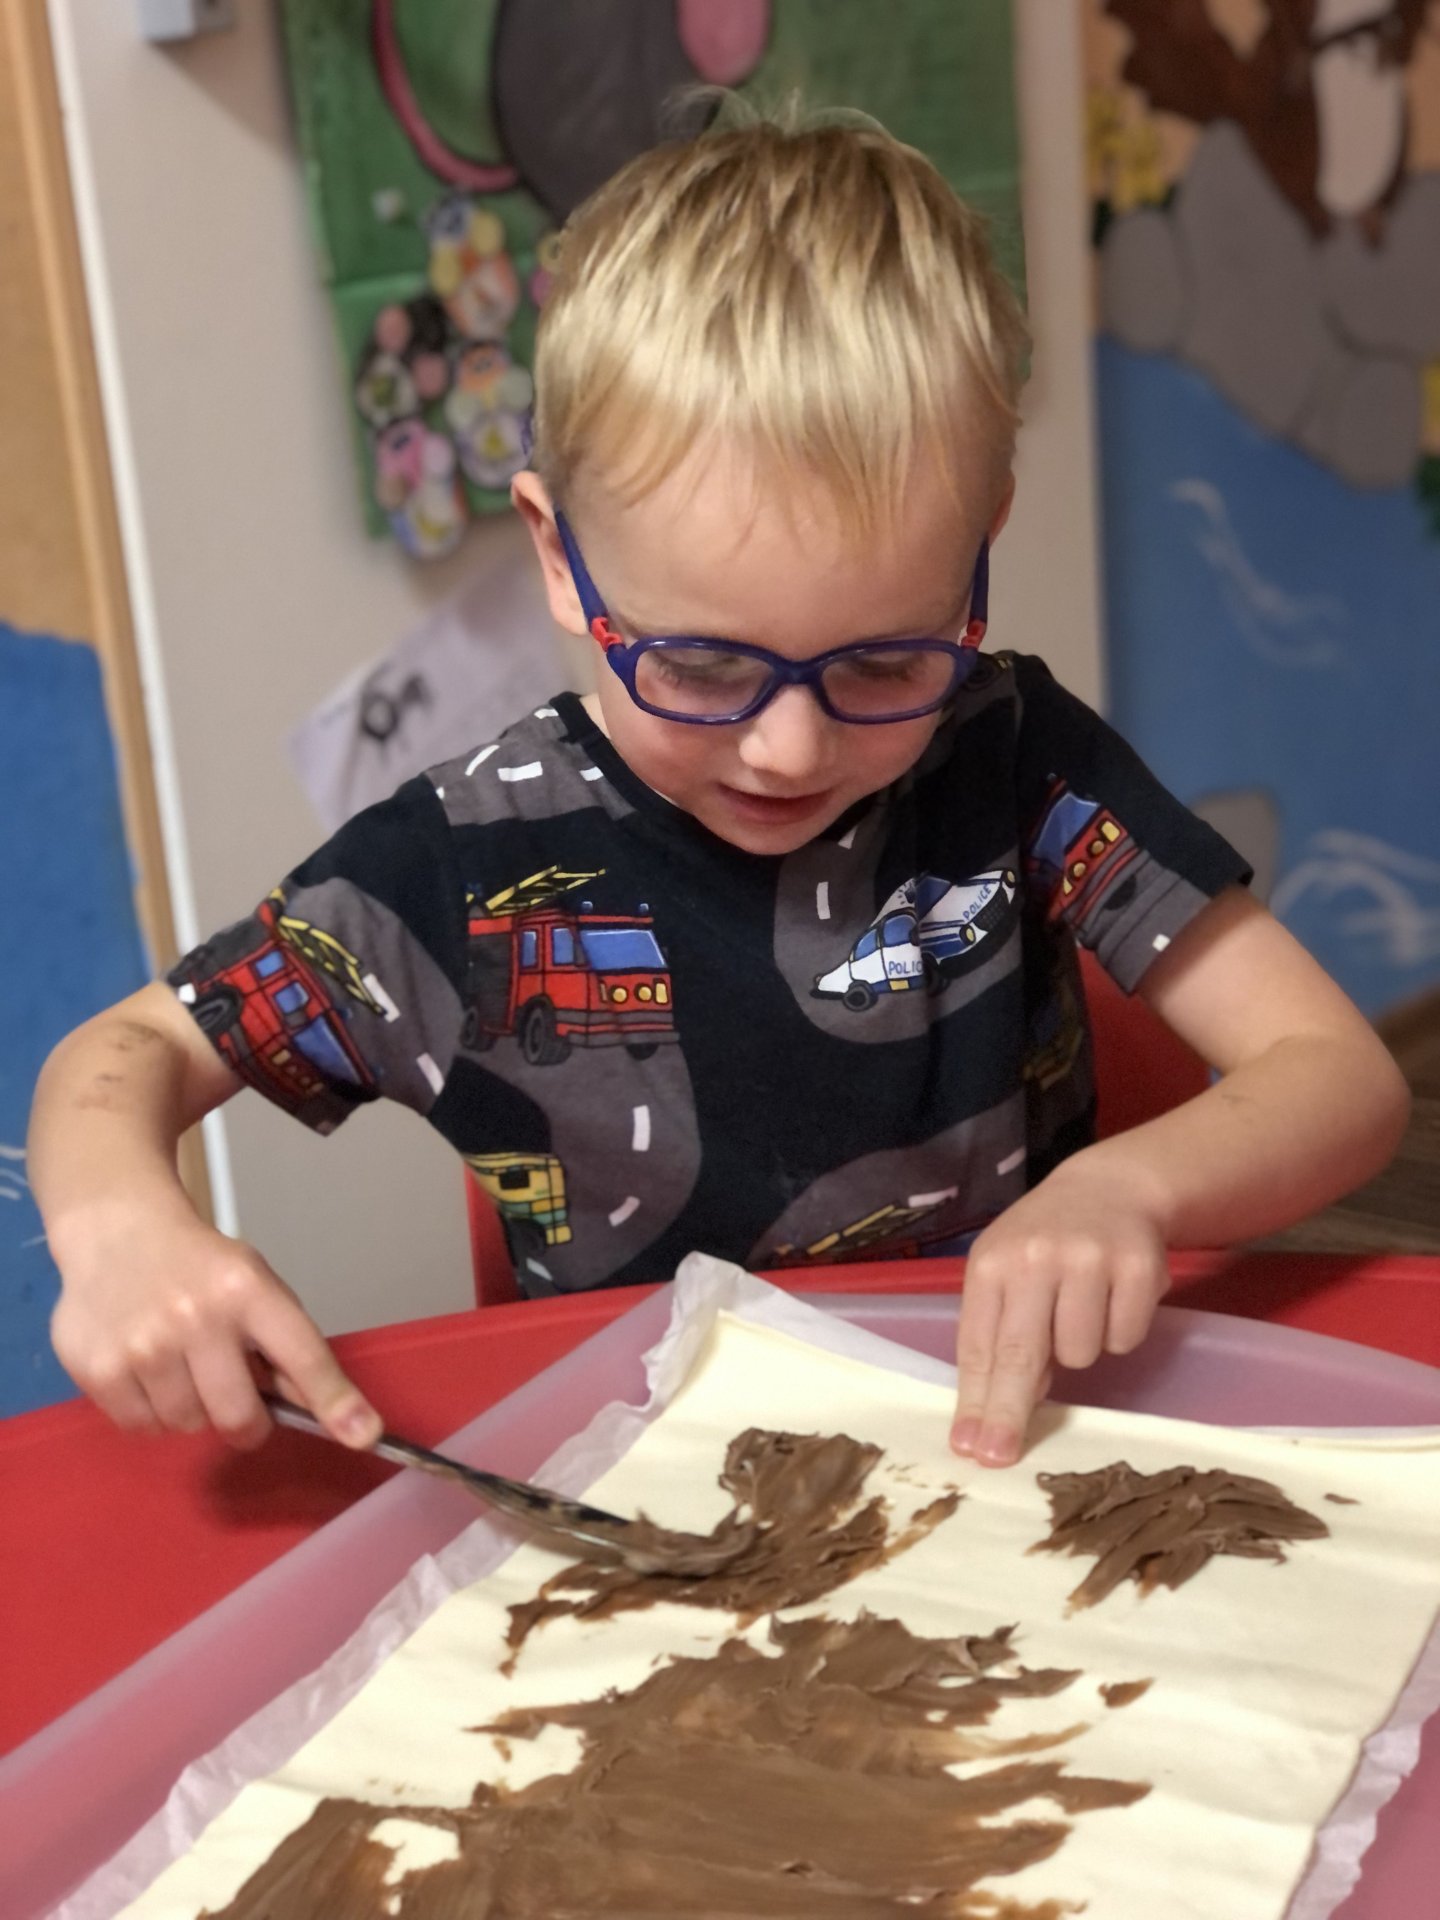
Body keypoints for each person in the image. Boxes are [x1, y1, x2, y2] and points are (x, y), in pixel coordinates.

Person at [30, 109, 1408, 1474]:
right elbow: (123, 1055)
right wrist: (119, 1229)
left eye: (884, 661)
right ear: (559, 557)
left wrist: (1133, 1188)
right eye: (698, 666)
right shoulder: (461, 863)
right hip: (657, 1511)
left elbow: (1338, 1075)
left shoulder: (1015, 754)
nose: (790, 749)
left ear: (979, 548)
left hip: (1007, 1458)